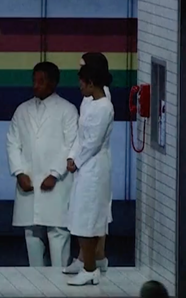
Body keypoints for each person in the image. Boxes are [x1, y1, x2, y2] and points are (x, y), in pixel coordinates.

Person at [6, 62, 78, 267]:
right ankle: (36, 281)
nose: (35, 85)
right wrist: (19, 172)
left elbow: (71, 144)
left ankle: (60, 281)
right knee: (32, 233)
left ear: (53, 83)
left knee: (58, 233)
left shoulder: (67, 110)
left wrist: (55, 173)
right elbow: (12, 142)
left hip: (57, 183)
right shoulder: (22, 110)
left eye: (41, 81)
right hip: (28, 181)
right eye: (34, 80)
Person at [63, 52, 113, 275]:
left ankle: (92, 263)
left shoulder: (103, 104)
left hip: (94, 166)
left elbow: (93, 141)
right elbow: (81, 134)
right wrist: (72, 156)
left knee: (92, 216)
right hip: (84, 164)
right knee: (81, 213)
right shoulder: (88, 100)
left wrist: (77, 160)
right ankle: (87, 258)